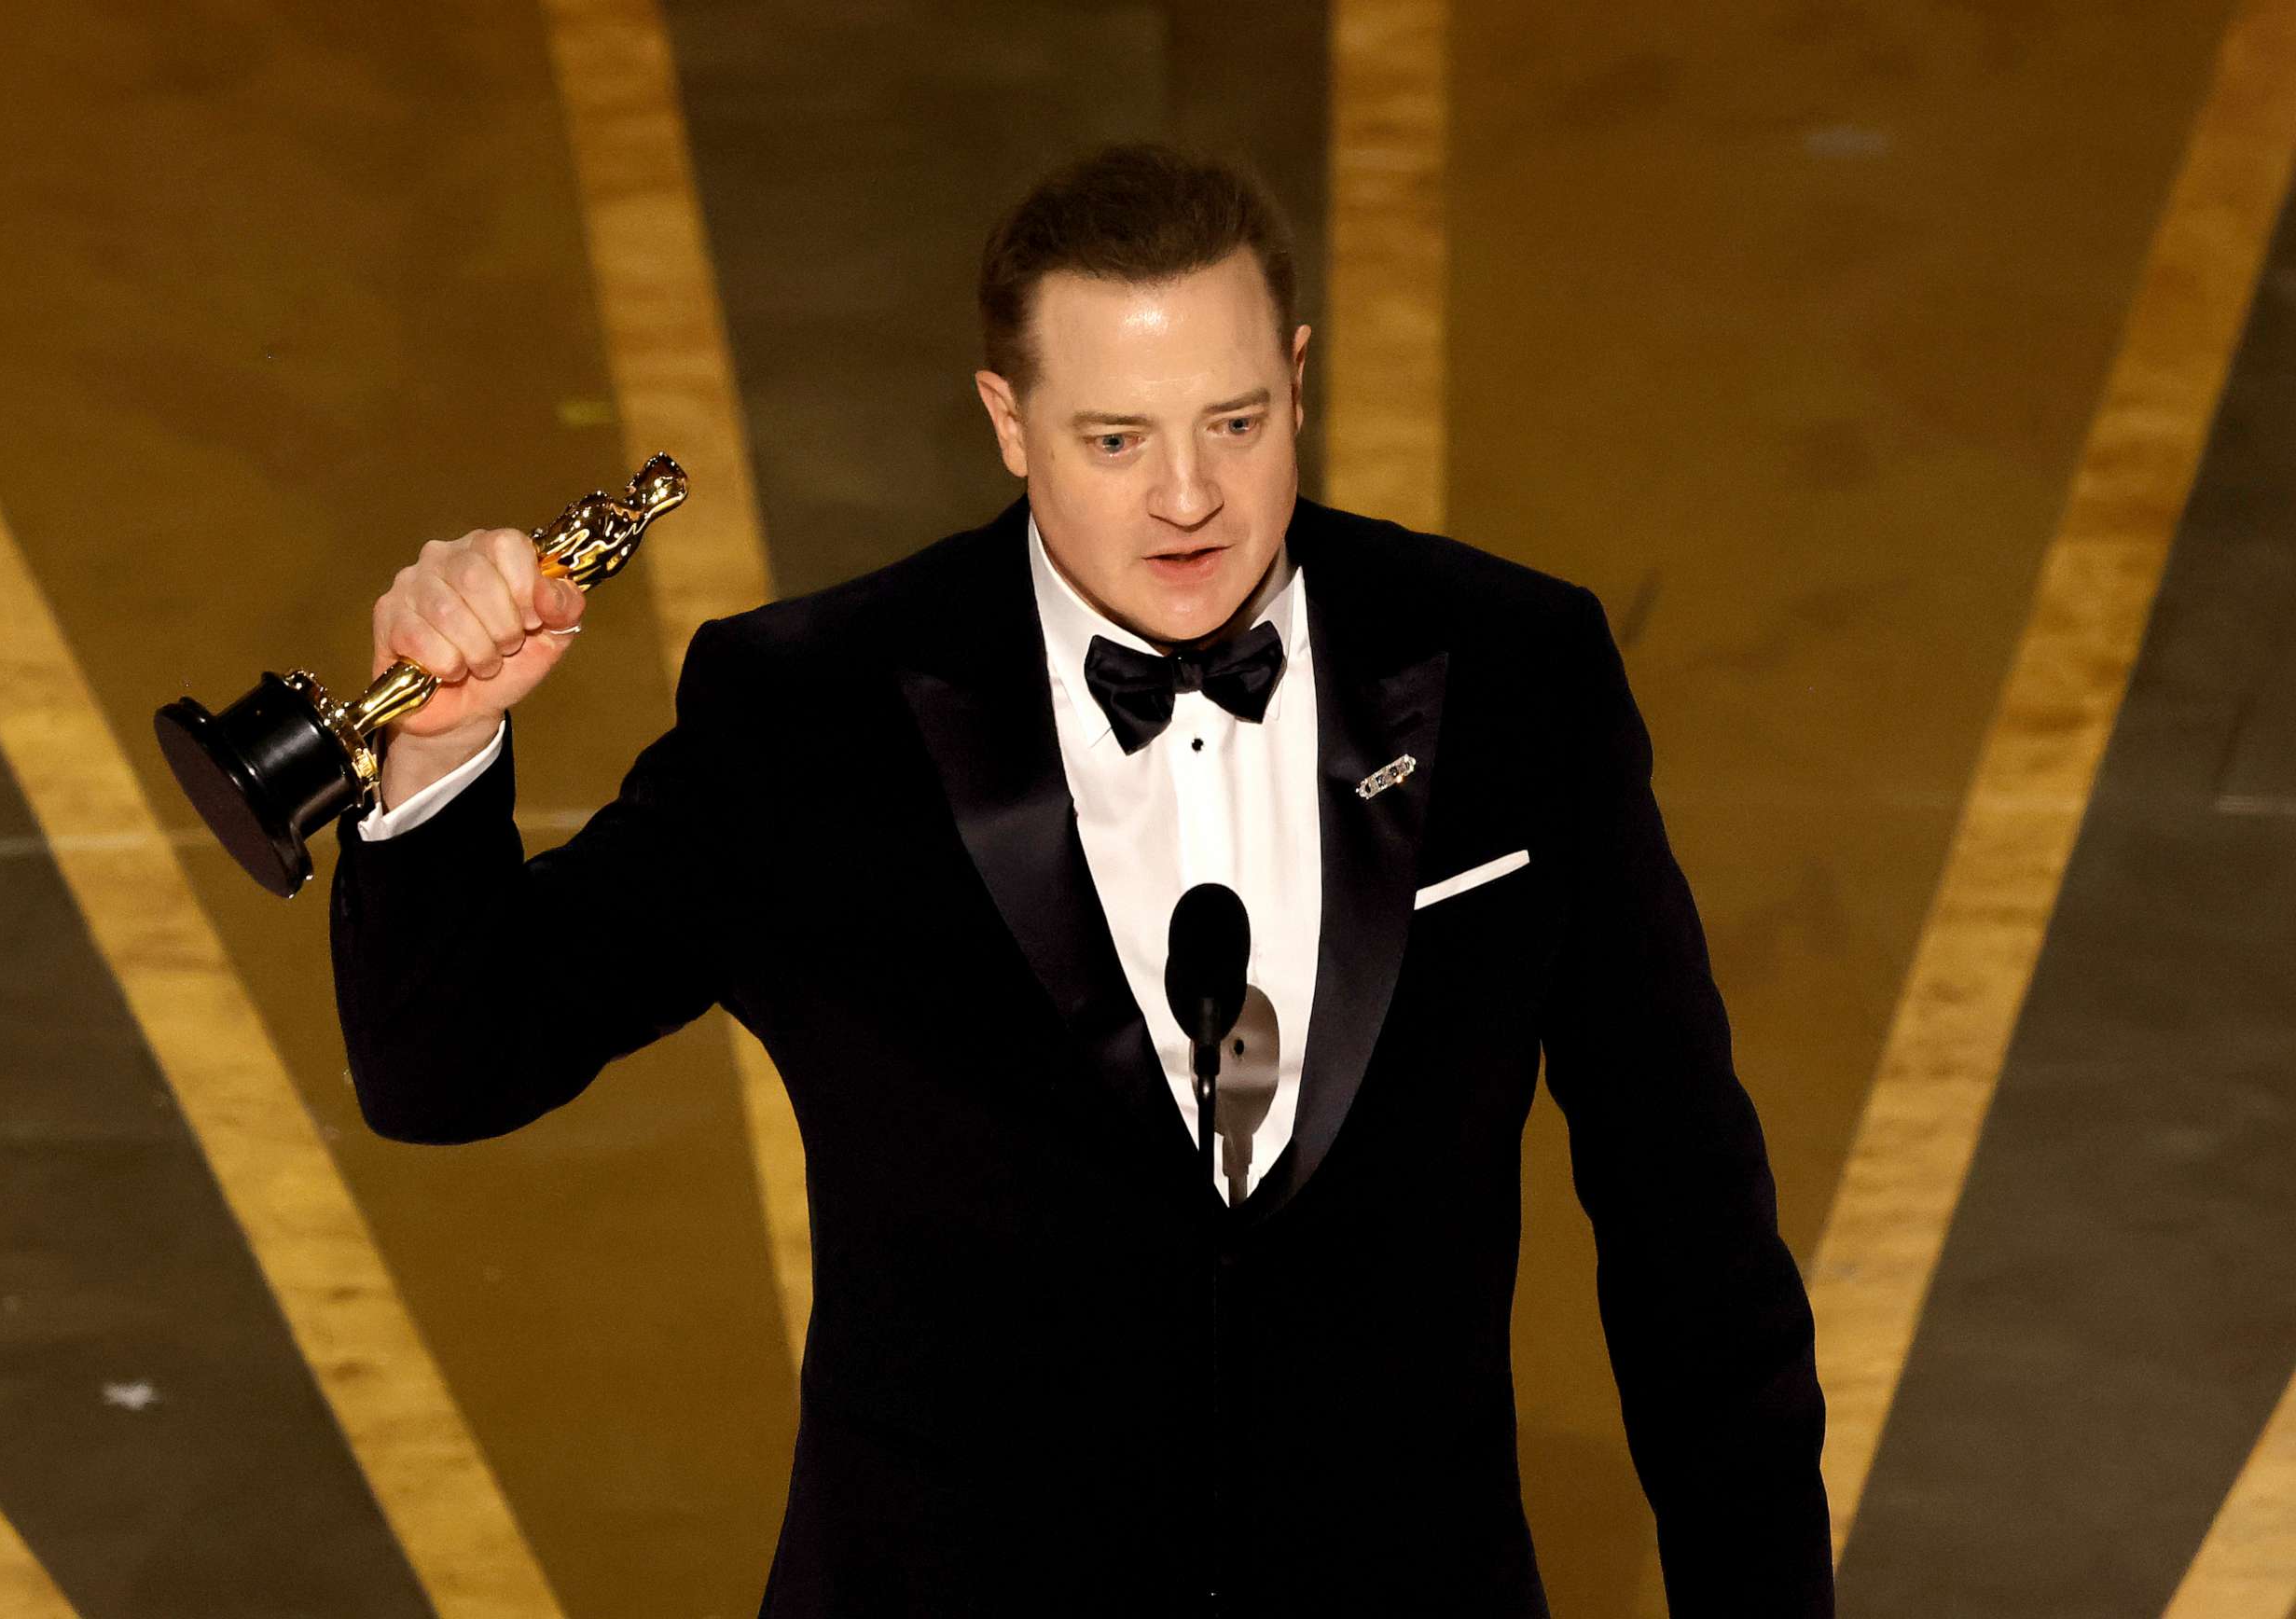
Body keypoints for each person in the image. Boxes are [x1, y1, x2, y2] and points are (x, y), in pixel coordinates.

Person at [330, 139, 1833, 1615]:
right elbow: (449, 1064)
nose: (1188, 497)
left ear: (1299, 379)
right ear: (1007, 417)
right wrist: (440, 753)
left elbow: (1689, 1231)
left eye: (1236, 423)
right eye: (1116, 439)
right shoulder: (816, 716)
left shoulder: (1517, 672)